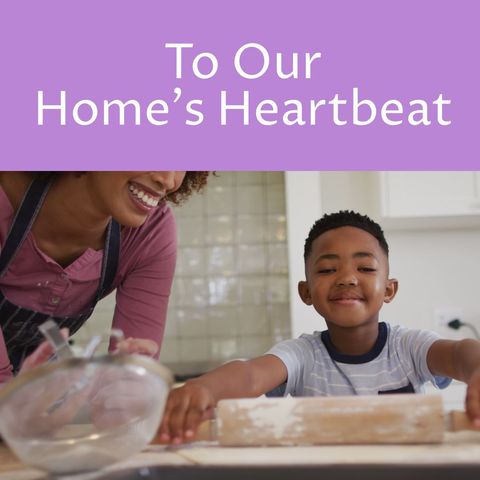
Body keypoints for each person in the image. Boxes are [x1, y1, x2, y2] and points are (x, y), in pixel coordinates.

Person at [158, 210, 480, 444]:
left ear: (389, 289)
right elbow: (251, 374)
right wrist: (204, 389)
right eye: (327, 269)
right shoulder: (303, 356)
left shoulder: (409, 347)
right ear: (307, 292)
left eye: (365, 267)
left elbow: (459, 354)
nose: (347, 278)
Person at [0, 171, 209, 383]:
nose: (168, 179)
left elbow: (132, 377)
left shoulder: (150, 233)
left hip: (34, 387)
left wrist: (123, 399)